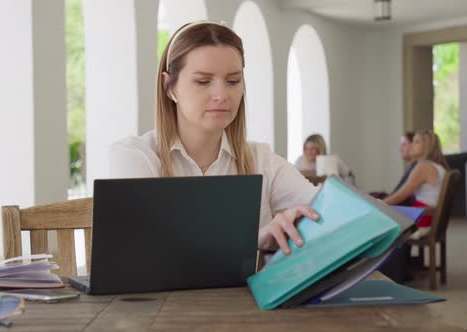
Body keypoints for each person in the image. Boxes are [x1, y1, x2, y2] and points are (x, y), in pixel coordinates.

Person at [108, 21, 319, 255]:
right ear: (169, 87)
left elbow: (331, 211)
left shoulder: (261, 159)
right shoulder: (135, 156)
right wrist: (253, 239)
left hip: (246, 294)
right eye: (203, 81)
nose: (221, 95)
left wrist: (302, 221)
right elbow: (143, 247)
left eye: (232, 81)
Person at [383, 129, 449, 238]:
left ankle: (393, 254)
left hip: (423, 218)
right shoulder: (437, 166)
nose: (412, 145)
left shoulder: (423, 166)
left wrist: (379, 205)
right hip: (431, 217)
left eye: (416, 142)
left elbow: (401, 195)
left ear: (427, 146)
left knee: (381, 217)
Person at [371, 131, 416, 202]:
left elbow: (400, 196)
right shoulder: (412, 167)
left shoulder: (417, 168)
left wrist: (380, 203)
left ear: (414, 145)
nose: (400, 149)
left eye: (404, 144)